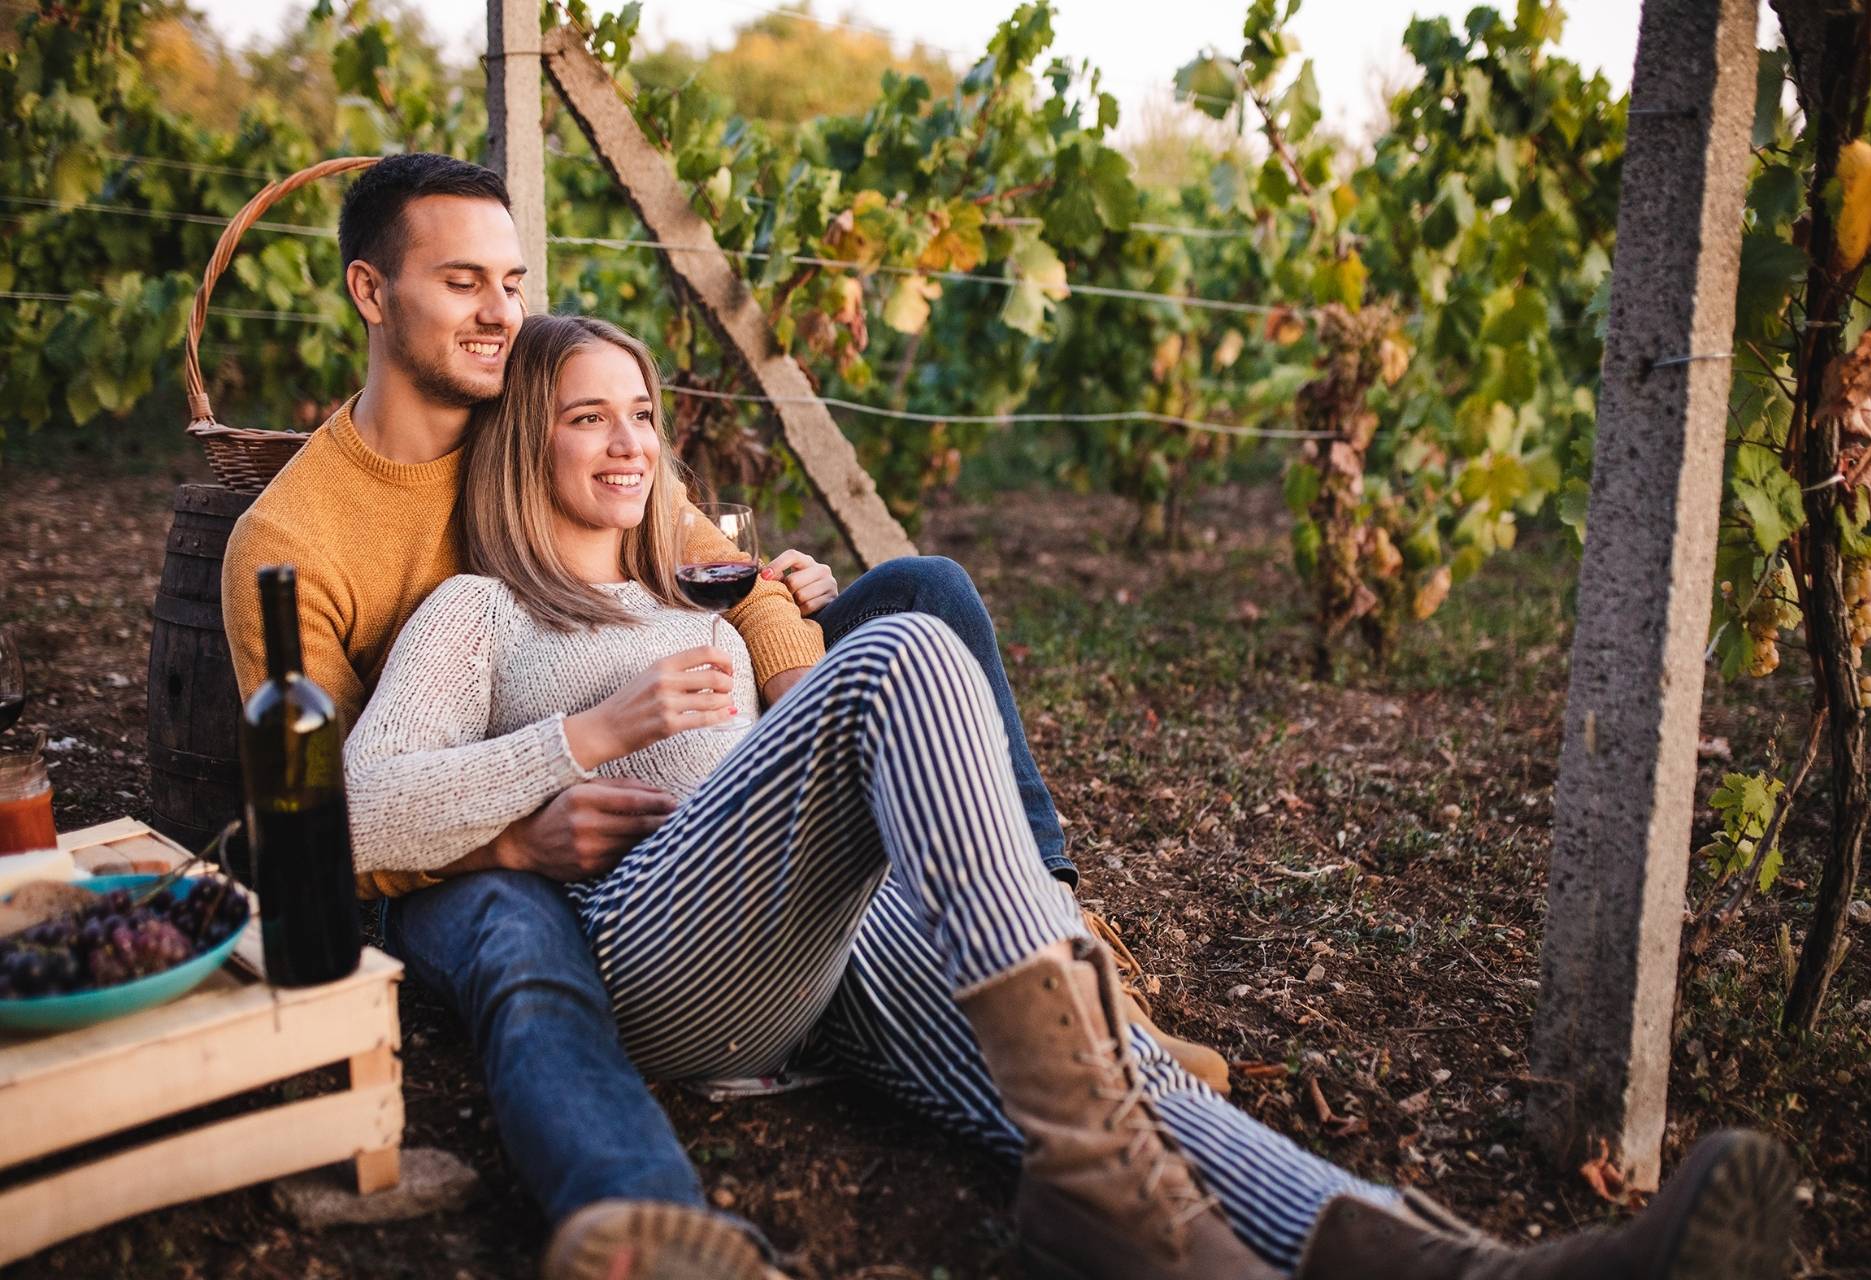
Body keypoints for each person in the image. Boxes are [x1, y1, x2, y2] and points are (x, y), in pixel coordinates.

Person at [342, 309, 1799, 1280]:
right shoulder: (483, 610)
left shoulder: (699, 593)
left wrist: (765, 626)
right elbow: (357, 808)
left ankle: (1468, 1266)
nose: (630, 443)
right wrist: (588, 736)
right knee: (907, 645)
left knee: (1111, 1080)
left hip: (823, 957)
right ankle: (1102, 1151)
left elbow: (820, 766)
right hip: (653, 950)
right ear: (523, 434)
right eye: (588, 418)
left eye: (644, 415)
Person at [219, 152, 1221, 1280]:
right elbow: (325, 815)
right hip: (465, 852)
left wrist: (798, 707)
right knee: (516, 926)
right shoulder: (292, 541)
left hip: (671, 803)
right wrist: (518, 834)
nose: (502, 312)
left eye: (512, 279)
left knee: (925, 593)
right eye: (463, 283)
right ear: (370, 292)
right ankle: (638, 1212)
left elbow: (715, 568)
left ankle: (1079, 970)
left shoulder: (550, 402)